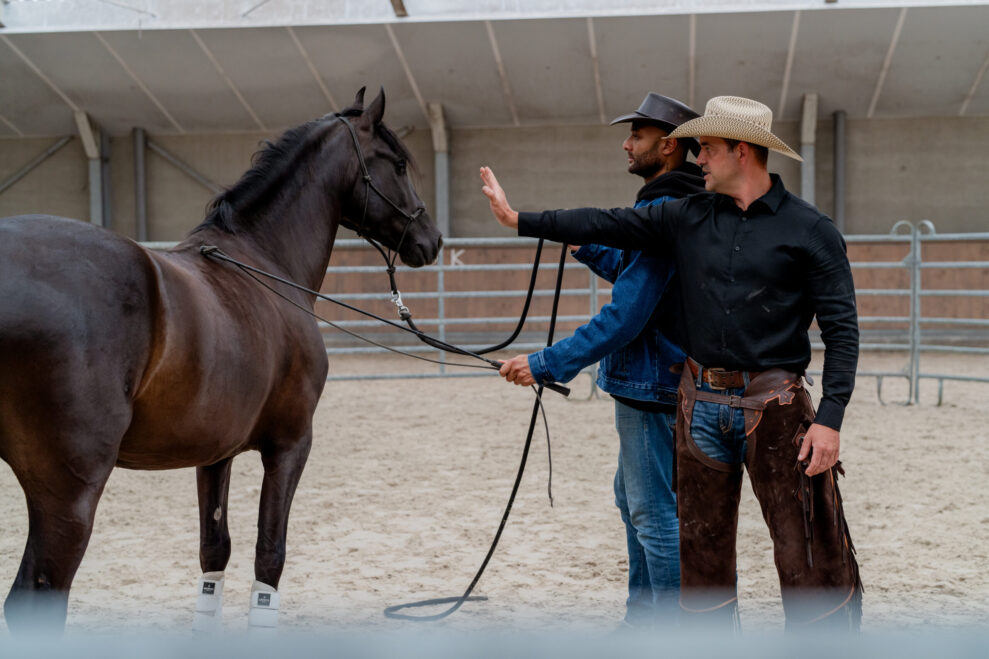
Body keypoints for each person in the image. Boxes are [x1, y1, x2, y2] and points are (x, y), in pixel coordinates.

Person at [482, 96, 862, 630]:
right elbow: (604, 221)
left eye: (706, 147)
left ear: (742, 151)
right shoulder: (688, 217)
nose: (696, 156)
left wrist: (830, 418)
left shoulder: (810, 230)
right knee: (701, 555)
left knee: (806, 550)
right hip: (699, 404)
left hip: (776, 407)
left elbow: (843, 330)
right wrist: (519, 218)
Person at [499, 93, 704, 628]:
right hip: (663, 379)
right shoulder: (678, 205)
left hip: (649, 384)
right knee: (635, 500)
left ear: (668, 145)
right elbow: (645, 278)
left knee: (653, 514)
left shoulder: (662, 210)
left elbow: (627, 315)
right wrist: (589, 246)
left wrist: (546, 363)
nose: (626, 143)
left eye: (636, 135)